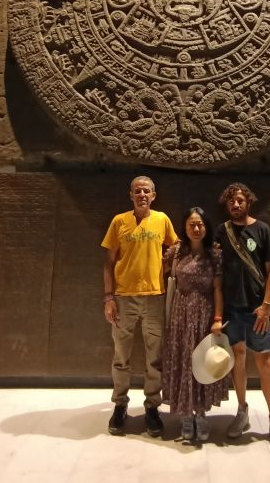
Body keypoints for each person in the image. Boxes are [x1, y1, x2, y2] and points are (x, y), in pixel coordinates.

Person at [214, 182, 270, 455]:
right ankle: (241, 411)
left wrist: (265, 305)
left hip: (256, 309)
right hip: (232, 309)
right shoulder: (221, 232)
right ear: (227, 204)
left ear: (249, 202)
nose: (236, 205)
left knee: (265, 360)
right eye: (231, 201)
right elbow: (217, 272)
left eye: (240, 200)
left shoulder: (262, 230)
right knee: (237, 357)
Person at [101, 176, 177, 437]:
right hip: (124, 297)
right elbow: (108, 262)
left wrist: (166, 263)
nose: (142, 195)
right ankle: (120, 406)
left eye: (146, 191)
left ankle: (152, 408)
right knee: (121, 357)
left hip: (155, 296)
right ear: (130, 195)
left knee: (153, 358)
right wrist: (108, 298)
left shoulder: (162, 220)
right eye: (137, 191)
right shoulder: (119, 221)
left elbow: (175, 247)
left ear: (153, 195)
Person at [162, 207, 229, 441]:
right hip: (180, 313)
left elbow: (218, 288)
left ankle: (201, 414)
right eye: (192, 224)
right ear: (185, 227)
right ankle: (185, 417)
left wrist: (218, 318)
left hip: (205, 312)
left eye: (200, 224)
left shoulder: (215, 254)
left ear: (206, 227)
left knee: (202, 362)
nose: (196, 228)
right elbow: (160, 269)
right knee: (182, 361)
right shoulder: (177, 251)